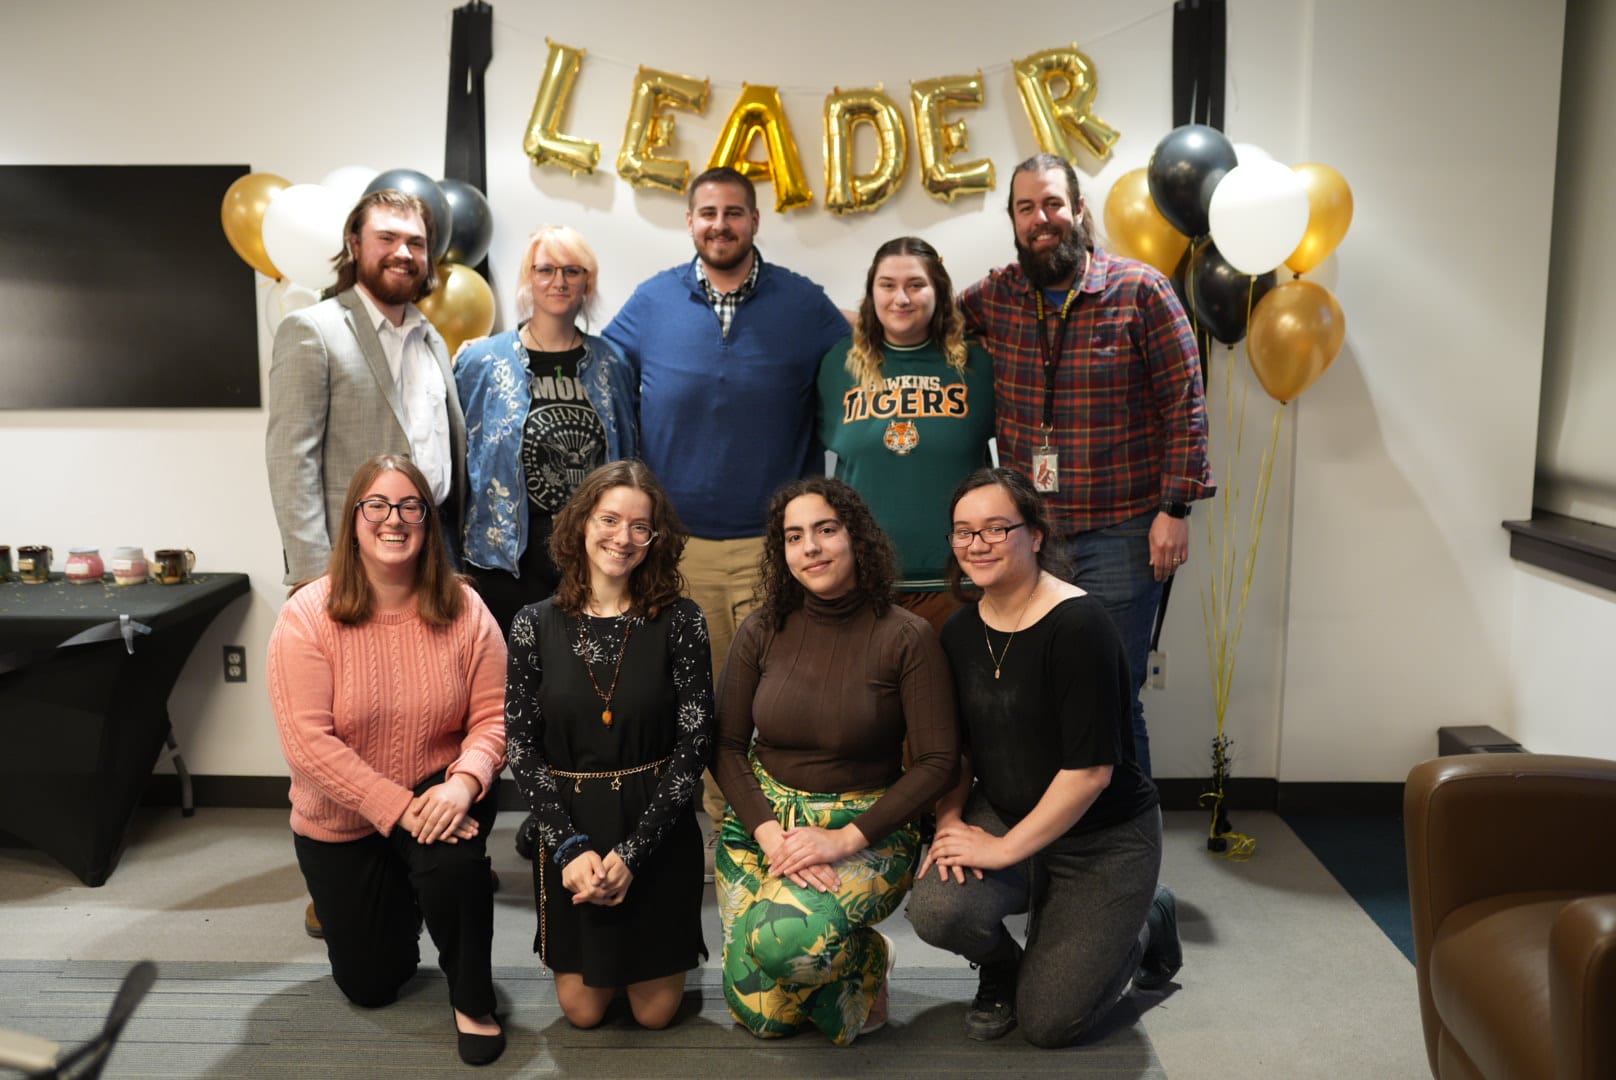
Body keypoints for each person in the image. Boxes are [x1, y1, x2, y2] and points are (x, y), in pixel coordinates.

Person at [604, 166, 850, 846]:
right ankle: (728, 843)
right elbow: (596, 365)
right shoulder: (653, 302)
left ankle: (787, 835)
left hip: (780, 553)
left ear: (755, 222)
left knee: (781, 706)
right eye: (708, 213)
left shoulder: (802, 305)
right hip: (683, 553)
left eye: (734, 213)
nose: (721, 225)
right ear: (690, 223)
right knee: (702, 705)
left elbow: (863, 360)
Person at [904, 467, 1180, 1049]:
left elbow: (1090, 774)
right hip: (1005, 812)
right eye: (963, 532)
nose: (977, 545)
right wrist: (951, 820)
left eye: (996, 529)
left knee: (1051, 1022)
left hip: (1103, 838)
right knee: (935, 909)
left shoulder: (1079, 625)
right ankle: (1005, 969)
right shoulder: (956, 632)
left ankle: (1147, 919)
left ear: (1035, 536)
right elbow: (960, 750)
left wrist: (1002, 849)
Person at [959, 153, 1214, 776]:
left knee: (1111, 699)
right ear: (1014, 221)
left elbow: (1184, 403)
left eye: (1051, 203)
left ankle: (1132, 864)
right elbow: (914, 321)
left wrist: (1174, 509)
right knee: (1038, 699)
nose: (1040, 219)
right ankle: (1057, 855)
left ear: (1078, 210)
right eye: (1025, 208)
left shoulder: (1140, 290)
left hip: (1122, 533)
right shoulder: (997, 296)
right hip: (1029, 538)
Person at [266, 454, 507, 1067]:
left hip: (439, 792)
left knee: (454, 871)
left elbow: (495, 718)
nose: (392, 520)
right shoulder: (306, 615)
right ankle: (396, 909)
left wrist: (463, 784)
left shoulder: (465, 609)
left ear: (429, 524)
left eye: (410, 507)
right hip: (343, 817)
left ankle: (472, 1000)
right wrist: (398, 810)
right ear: (353, 520)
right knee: (372, 986)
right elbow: (307, 744)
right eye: (377, 505)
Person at [713, 477, 958, 1045]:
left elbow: (938, 762)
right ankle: (840, 950)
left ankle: (864, 957)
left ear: (858, 538)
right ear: (782, 552)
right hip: (765, 826)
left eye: (826, 530)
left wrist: (843, 839)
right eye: (794, 537)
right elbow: (725, 747)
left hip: (864, 829)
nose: (811, 548)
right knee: (764, 1019)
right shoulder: (762, 628)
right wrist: (774, 837)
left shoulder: (907, 636)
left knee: (782, 947)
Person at [504, 461, 713, 1030]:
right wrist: (569, 850)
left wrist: (633, 855)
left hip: (657, 824)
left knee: (655, 1015)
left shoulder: (683, 622)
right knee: (583, 1012)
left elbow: (695, 746)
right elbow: (521, 746)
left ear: (656, 539)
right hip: (569, 822)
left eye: (640, 527)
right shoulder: (531, 623)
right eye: (609, 519)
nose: (623, 537)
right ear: (580, 524)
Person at [267, 189, 468, 588]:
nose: (404, 253)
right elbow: (291, 459)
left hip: (434, 558)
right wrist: (314, 575)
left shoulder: (432, 341)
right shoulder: (313, 330)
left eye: (416, 243)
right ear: (355, 245)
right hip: (350, 565)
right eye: (387, 238)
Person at [456, 224, 639, 636]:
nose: (559, 281)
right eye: (545, 270)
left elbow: (630, 455)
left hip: (595, 557)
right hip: (506, 563)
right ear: (528, 279)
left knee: (589, 683)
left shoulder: (614, 364)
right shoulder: (483, 362)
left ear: (587, 283)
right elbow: (459, 462)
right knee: (511, 680)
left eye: (572, 271)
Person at [817, 236, 995, 635]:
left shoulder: (979, 366)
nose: (901, 298)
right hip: (864, 584)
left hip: (960, 582)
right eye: (887, 285)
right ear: (871, 294)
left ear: (939, 292)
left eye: (916, 285)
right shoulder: (836, 366)